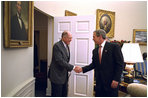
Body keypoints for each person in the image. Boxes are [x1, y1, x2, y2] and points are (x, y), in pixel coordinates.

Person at [77, 29, 124, 97]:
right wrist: (82, 69)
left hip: (111, 82)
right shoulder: (95, 51)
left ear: (100, 37)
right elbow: (94, 64)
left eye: (94, 37)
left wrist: (116, 79)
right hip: (99, 83)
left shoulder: (114, 47)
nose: (93, 39)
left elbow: (120, 64)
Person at [48, 31, 79, 97]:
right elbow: (59, 61)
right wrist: (73, 67)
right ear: (63, 38)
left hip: (64, 76)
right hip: (57, 76)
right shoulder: (57, 46)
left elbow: (66, 60)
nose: (71, 40)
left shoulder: (66, 45)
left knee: (64, 94)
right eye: (69, 38)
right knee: (57, 95)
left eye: (71, 38)